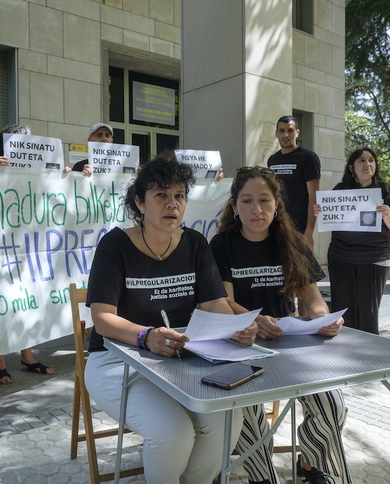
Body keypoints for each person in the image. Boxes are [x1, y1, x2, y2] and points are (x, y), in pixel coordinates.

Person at [84, 156, 257, 483]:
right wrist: (146, 336)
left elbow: (216, 303)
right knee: (173, 432)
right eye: (161, 195)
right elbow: (103, 319)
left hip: (182, 362)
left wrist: (236, 327)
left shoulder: (195, 243)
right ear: (140, 202)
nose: (172, 204)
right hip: (118, 362)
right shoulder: (115, 246)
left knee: (227, 421)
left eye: (179, 196)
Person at [210, 166, 350, 484]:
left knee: (332, 403)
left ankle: (311, 465)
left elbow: (312, 298)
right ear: (234, 207)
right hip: (242, 345)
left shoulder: (293, 244)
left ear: (277, 205)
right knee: (248, 414)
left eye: (264, 200)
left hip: (288, 345)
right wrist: (254, 320)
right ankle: (263, 478)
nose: (256, 209)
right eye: (246, 201)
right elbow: (225, 302)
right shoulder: (221, 246)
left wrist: (324, 319)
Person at [0, 124, 54, 383]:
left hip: (31, 247)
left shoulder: (40, 171)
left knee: (28, 301)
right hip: (0, 248)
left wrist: (68, 175)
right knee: (2, 303)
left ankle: (27, 356)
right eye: (17, 141)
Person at [314, 147, 390, 335]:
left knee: (368, 311)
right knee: (343, 309)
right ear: (351, 167)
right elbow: (329, 215)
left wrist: (387, 215)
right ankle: (344, 350)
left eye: (371, 160)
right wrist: (321, 212)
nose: (367, 164)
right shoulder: (340, 190)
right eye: (362, 161)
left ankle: (370, 354)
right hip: (341, 257)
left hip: (375, 258)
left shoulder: (385, 190)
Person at [267, 115, 321, 250]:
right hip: (277, 228)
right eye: (282, 130)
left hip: (300, 231)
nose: (286, 134)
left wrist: (309, 232)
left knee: (302, 270)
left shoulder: (308, 158)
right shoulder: (272, 160)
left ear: (297, 133)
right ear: (276, 133)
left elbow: (313, 197)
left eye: (290, 130)